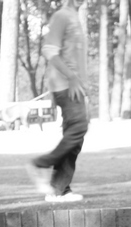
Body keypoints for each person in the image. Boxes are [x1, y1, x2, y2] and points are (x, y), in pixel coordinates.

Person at [25, 0, 88, 203]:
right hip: (64, 85)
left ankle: (59, 189)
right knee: (78, 128)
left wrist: (83, 85)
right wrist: (71, 77)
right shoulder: (61, 16)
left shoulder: (75, 17)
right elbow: (50, 51)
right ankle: (40, 164)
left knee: (76, 139)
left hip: (74, 86)